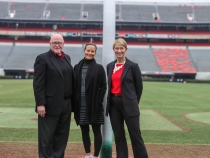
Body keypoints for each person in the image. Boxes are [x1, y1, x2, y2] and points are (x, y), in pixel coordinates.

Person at [33, 34, 75, 158]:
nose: (57, 45)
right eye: (54, 42)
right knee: (47, 136)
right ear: (50, 43)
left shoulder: (67, 57)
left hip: (66, 103)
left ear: (63, 43)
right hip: (50, 104)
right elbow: (38, 83)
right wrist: (40, 103)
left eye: (59, 43)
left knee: (62, 135)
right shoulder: (42, 58)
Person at [106, 38, 148, 158]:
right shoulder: (109, 66)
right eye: (117, 48)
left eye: (121, 48)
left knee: (135, 135)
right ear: (114, 50)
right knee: (119, 136)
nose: (119, 51)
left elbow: (138, 87)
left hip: (129, 104)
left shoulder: (133, 66)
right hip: (113, 105)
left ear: (126, 49)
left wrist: (133, 101)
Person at [73, 43, 107, 158]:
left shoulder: (99, 68)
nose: (90, 53)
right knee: (84, 130)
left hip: (94, 105)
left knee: (96, 131)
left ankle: (96, 155)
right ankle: (88, 154)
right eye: (88, 50)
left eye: (92, 51)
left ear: (95, 53)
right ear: (84, 51)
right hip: (80, 104)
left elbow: (103, 86)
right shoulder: (77, 67)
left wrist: (99, 101)